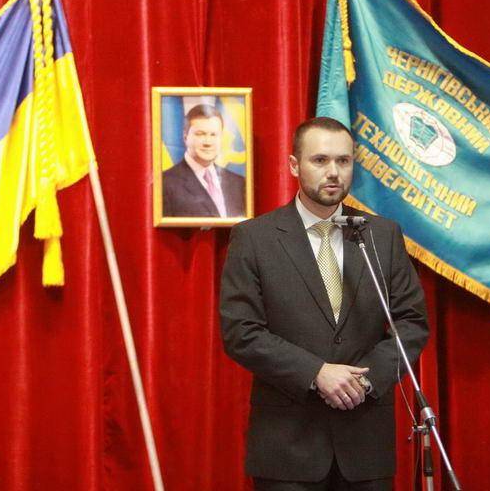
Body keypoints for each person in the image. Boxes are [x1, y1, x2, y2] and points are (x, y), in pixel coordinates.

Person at [219, 116, 429, 490]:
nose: (333, 172)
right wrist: (316, 373)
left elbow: (411, 322)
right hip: (288, 447)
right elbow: (241, 332)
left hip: (365, 443)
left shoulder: (381, 236)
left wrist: (365, 381)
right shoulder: (254, 238)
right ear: (294, 165)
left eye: (343, 161)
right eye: (320, 160)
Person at [162, 104, 245, 217]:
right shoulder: (165, 184)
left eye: (213, 135)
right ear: (185, 137)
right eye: (200, 134)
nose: (208, 142)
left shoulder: (239, 183)